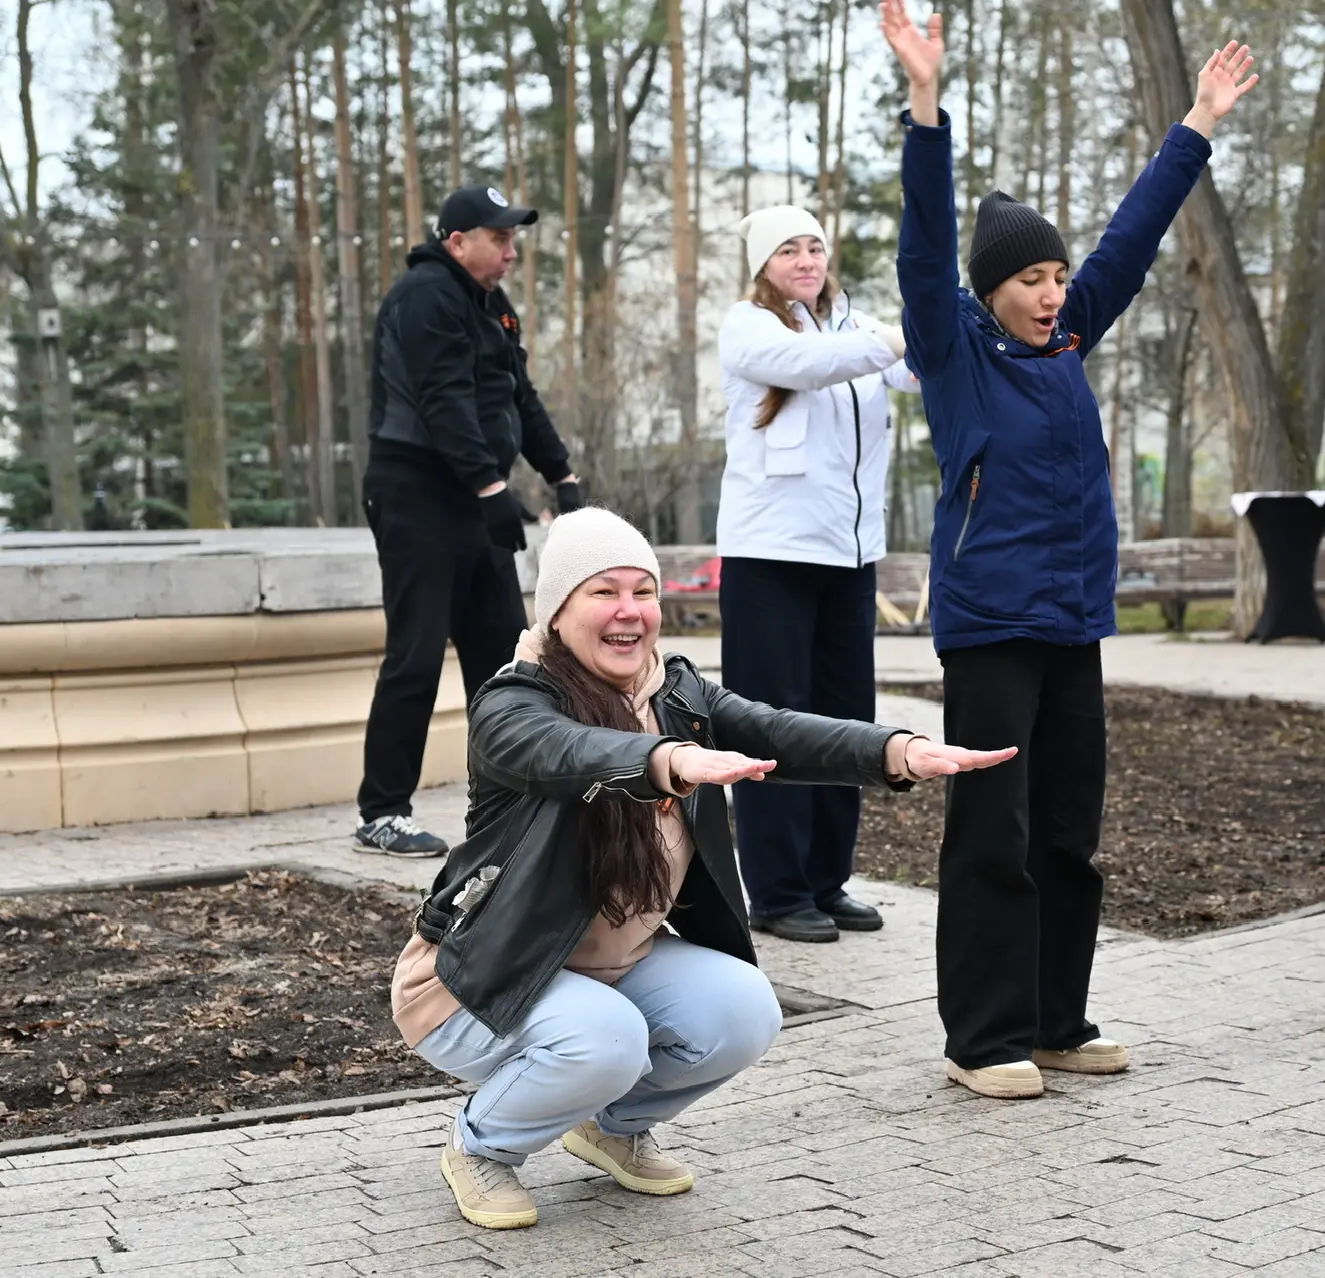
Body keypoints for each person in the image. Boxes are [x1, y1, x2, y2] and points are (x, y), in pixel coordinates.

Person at [392, 506, 1014, 1229]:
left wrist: (896, 752)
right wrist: (666, 760)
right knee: (608, 1040)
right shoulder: (512, 704)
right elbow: (567, 752)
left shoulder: (676, 694)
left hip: (607, 970)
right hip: (480, 981)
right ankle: (481, 1145)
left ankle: (612, 1128)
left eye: (643, 592)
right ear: (558, 611)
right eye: (603, 592)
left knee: (742, 1010)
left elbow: (778, 731)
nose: (628, 611)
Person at [884, 0, 1256, 1095]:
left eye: (1056, 278)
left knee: (1065, 832)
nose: (1052, 295)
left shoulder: (1067, 339)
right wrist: (925, 104)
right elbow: (922, 244)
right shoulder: (954, 352)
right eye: (1031, 282)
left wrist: (1196, 123)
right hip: (990, 627)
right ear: (991, 290)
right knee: (991, 833)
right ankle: (982, 1038)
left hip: (1070, 622)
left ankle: (1056, 1019)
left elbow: (1132, 237)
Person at [355, 186, 583, 857]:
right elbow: (442, 398)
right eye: (499, 238)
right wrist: (490, 486)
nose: (511, 252)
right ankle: (383, 812)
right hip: (416, 491)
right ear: (457, 241)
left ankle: (506, 808)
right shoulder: (426, 296)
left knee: (501, 660)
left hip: (475, 496)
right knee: (417, 653)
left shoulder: (493, 305)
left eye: (513, 239)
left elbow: (519, 395)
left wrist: (562, 476)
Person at [715, 205, 918, 943]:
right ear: (763, 265)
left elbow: (914, 375)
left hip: (849, 557)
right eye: (788, 250)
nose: (806, 260)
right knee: (772, 724)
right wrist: (896, 336)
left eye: (815, 247)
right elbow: (810, 365)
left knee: (844, 721)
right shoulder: (748, 325)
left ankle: (828, 881)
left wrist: (943, 326)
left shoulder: (855, 326)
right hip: (770, 558)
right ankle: (776, 891)